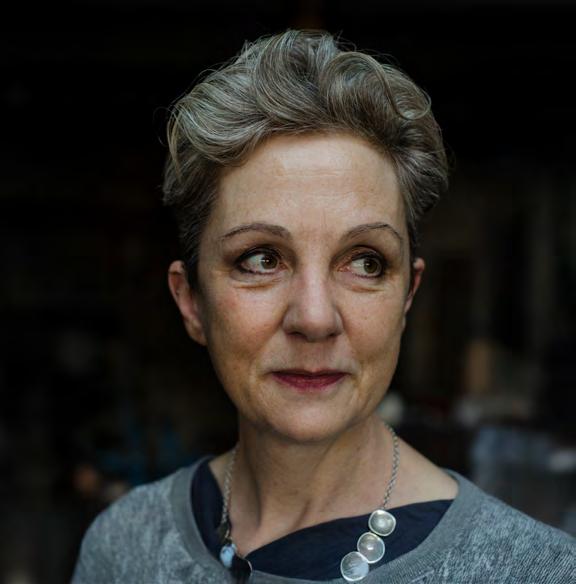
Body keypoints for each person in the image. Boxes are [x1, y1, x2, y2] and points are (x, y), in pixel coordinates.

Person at [72, 30, 575, 583]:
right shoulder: (124, 548)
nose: (314, 318)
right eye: (261, 259)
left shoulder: (534, 572)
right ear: (191, 302)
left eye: (365, 262)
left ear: (407, 295)